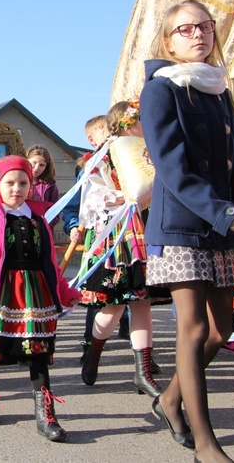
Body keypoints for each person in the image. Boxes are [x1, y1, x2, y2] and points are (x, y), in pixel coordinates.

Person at [140, 0, 234, 462]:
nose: (198, 35)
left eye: (206, 27)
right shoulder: (161, 90)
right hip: (181, 224)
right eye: (186, 29)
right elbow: (173, 168)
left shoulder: (218, 87)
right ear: (169, 40)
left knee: (222, 328)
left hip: (220, 225)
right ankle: (206, 446)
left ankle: (170, 398)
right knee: (190, 330)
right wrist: (225, 215)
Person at [0, 155, 80, 441]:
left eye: (23, 183)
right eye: (10, 182)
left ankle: (45, 414)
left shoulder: (38, 220)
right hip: (0, 294)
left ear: (31, 185)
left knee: (38, 352)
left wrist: (66, 293)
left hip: (35, 295)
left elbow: (50, 262)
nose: (17, 188)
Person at [76, 108, 161, 399]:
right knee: (113, 306)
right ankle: (93, 352)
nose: (144, 126)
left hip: (146, 231)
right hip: (118, 234)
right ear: (125, 124)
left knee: (142, 303)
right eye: (140, 121)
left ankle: (143, 372)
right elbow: (91, 198)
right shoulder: (104, 155)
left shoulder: (148, 151)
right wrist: (125, 197)